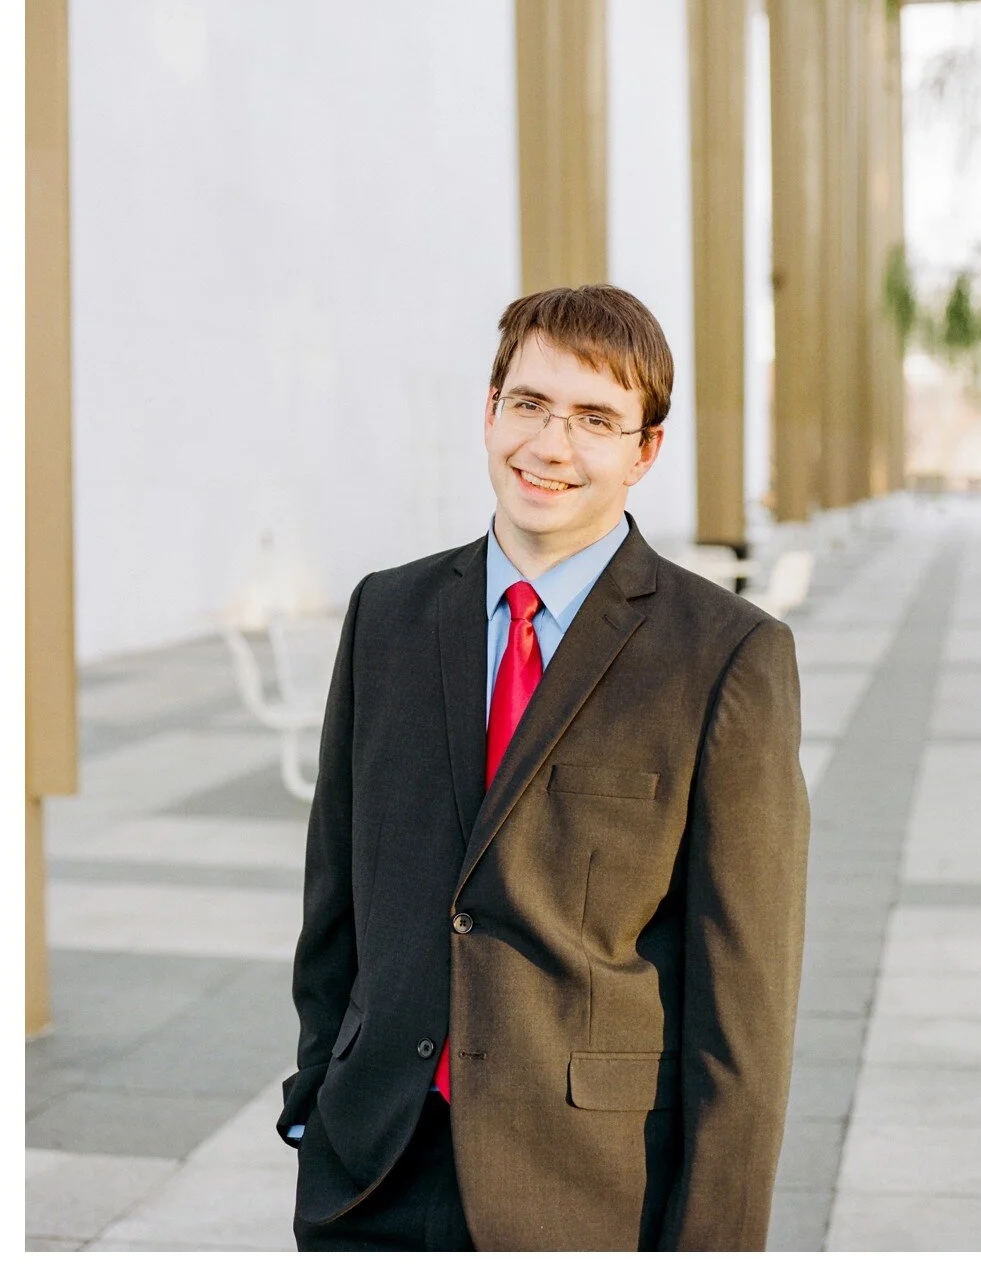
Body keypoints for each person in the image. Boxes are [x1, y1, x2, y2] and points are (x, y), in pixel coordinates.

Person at [277, 285, 810, 1250]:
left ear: (645, 451)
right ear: (489, 413)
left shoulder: (726, 656)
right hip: (370, 1174)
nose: (551, 446)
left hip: (582, 1193)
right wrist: (316, 1098)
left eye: (596, 420)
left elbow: (745, 1014)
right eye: (528, 404)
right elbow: (335, 903)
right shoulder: (385, 617)